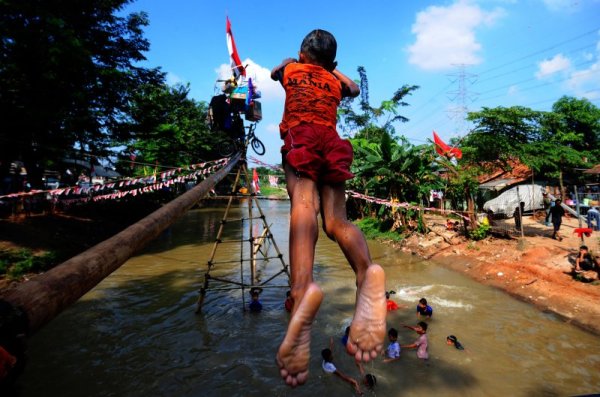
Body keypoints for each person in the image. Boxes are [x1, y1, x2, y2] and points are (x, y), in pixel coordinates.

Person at [272, 29, 387, 387]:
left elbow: (276, 72)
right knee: (337, 221)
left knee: (303, 204)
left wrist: (291, 62)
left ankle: (302, 289)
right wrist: (334, 72)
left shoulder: (293, 70)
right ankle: (367, 273)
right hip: (333, 142)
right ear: (333, 63)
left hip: (302, 136)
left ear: (302, 54)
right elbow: (352, 89)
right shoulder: (335, 81)